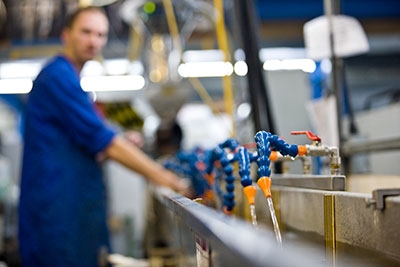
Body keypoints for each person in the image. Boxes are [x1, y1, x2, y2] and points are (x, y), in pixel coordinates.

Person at [18, 6, 190, 267]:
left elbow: (93, 140)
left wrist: (118, 139)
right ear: (66, 34)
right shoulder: (57, 77)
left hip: (74, 211)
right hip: (59, 215)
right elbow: (105, 142)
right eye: (86, 32)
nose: (93, 41)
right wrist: (169, 179)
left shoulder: (73, 82)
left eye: (100, 34)